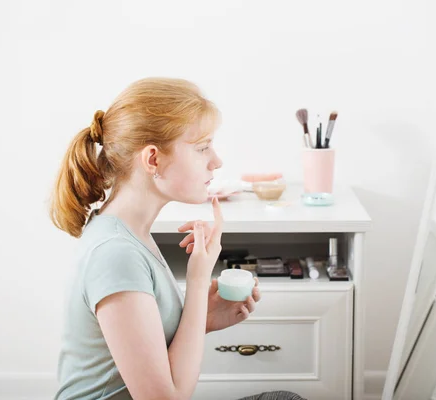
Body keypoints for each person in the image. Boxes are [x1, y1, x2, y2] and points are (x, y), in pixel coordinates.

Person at [49, 78, 305, 400]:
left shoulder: (130, 232)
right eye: (202, 148)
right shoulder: (116, 253)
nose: (216, 161)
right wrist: (199, 279)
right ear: (153, 159)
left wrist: (201, 319)